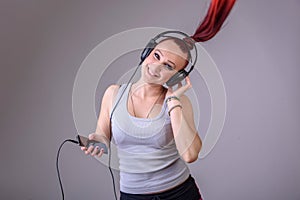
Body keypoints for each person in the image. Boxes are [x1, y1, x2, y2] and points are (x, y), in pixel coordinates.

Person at [81, 0, 236, 199]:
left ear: (177, 76)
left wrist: (173, 102)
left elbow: (190, 155)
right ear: (146, 52)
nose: (156, 67)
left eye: (168, 66)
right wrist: (97, 141)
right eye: (156, 56)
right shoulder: (113, 94)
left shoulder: (178, 103)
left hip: (179, 193)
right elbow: (103, 135)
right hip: (132, 195)